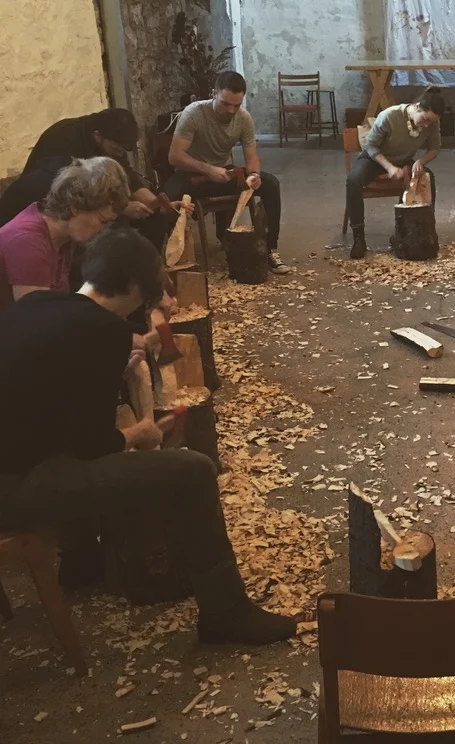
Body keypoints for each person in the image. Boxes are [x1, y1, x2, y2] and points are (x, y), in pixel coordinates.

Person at [0, 227, 296, 645]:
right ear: (138, 287)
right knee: (192, 469)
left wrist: (112, 371)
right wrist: (137, 433)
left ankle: (81, 564)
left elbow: (46, 393)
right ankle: (225, 613)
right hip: (15, 490)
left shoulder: (37, 303)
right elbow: (92, 446)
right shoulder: (105, 331)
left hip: (13, 462)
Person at [164, 71, 290, 274]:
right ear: (214, 93)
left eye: (237, 105)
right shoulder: (194, 113)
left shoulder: (243, 118)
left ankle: (268, 249)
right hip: (192, 175)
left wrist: (254, 174)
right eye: (225, 103)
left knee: (271, 184)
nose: (231, 110)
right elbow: (175, 156)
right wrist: (208, 168)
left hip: (224, 174)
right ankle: (168, 259)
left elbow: (252, 157)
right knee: (167, 195)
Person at [10, 109, 174, 248]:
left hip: (82, 204)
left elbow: (127, 175)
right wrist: (121, 208)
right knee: (113, 235)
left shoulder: (109, 143)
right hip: (43, 204)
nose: (119, 155)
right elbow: (68, 193)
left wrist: (157, 204)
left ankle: (146, 275)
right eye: (117, 150)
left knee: (153, 220)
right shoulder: (63, 140)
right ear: (97, 136)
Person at [0, 157, 129, 311]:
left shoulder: (64, 236)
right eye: (102, 221)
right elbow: (36, 321)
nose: (104, 229)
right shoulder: (28, 242)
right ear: (76, 206)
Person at [346, 87, 445, 260]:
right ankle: (359, 238)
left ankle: (410, 233)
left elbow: (435, 148)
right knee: (353, 181)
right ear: (417, 106)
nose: (427, 125)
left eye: (431, 122)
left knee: (427, 178)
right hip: (375, 159)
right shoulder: (390, 116)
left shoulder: (432, 122)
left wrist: (420, 162)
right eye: (425, 119)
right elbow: (370, 146)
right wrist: (390, 168)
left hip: (403, 160)